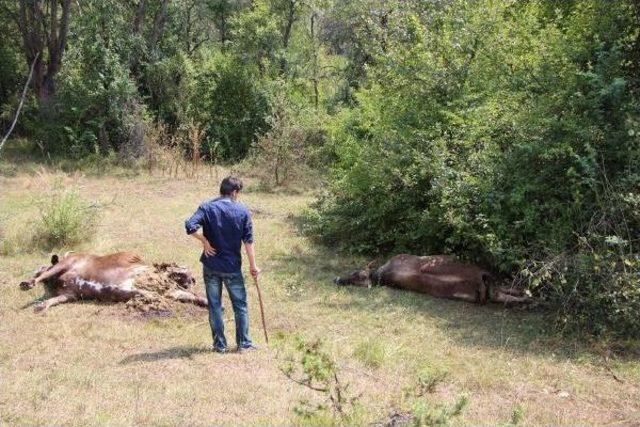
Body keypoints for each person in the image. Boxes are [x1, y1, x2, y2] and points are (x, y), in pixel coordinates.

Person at [185, 176, 260, 353]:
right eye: (238, 193)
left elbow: (190, 226)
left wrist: (204, 241)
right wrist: (253, 266)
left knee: (215, 305)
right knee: (240, 305)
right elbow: (248, 241)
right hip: (232, 267)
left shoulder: (207, 207)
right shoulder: (242, 211)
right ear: (234, 192)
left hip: (211, 265)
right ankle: (244, 344)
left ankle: (220, 345)